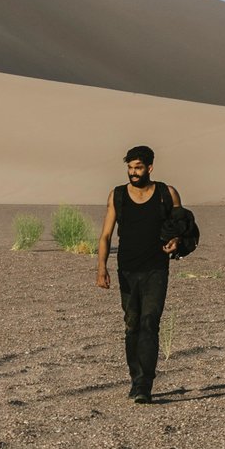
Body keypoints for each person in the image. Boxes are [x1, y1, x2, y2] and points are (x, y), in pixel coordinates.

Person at [95, 145, 183, 402]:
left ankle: (145, 385)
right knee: (132, 325)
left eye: (138, 168)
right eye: (130, 168)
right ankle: (135, 378)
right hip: (127, 270)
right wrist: (101, 268)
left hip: (156, 269)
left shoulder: (168, 193)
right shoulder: (118, 195)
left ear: (150, 168)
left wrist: (176, 241)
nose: (133, 173)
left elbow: (180, 226)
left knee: (149, 323)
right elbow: (105, 235)